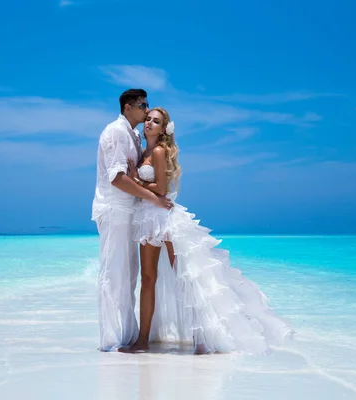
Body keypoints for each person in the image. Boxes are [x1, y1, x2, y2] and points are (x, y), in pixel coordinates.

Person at [121, 107, 295, 354]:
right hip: (146, 218)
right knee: (147, 279)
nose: (148, 123)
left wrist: (135, 180)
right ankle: (143, 340)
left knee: (185, 277)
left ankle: (202, 338)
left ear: (163, 130)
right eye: (148, 119)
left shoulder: (159, 151)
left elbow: (160, 188)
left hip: (165, 219)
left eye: (155, 121)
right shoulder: (143, 151)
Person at [91, 90, 173, 352]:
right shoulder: (116, 132)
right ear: (128, 108)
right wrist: (153, 197)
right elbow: (116, 178)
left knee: (130, 276)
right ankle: (111, 341)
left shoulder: (134, 136)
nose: (146, 111)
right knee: (113, 275)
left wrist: (147, 193)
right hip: (116, 210)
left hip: (133, 214)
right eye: (142, 106)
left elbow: (138, 175)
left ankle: (128, 336)